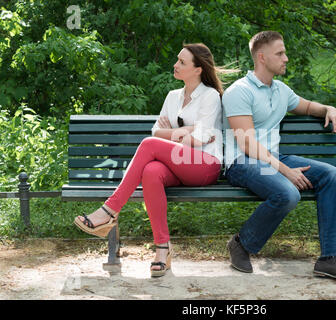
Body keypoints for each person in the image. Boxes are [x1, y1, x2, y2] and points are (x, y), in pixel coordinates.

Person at [74, 43, 224, 277]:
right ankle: (162, 250)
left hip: (205, 165)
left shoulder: (210, 96)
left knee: (148, 145)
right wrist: (189, 131)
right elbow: (157, 131)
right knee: (151, 171)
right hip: (178, 163)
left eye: (182, 62)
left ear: (198, 70)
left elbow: (202, 138)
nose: (175, 65)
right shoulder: (172, 97)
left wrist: (178, 134)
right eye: (177, 59)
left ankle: (110, 210)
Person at [222, 31, 336, 281]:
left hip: (273, 158)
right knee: (287, 193)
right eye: (280, 53)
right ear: (262, 57)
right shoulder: (239, 92)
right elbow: (246, 144)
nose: (286, 58)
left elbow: (307, 106)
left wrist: (328, 108)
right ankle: (241, 244)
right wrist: (285, 171)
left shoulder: (280, 90)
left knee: (332, 175)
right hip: (242, 163)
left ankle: (329, 259)